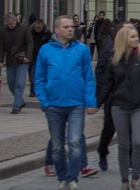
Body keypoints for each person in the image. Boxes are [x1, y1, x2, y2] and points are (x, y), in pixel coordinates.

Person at [35, 16, 98, 190]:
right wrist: (44, 101)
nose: (70, 29)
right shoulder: (45, 50)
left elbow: (88, 77)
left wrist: (90, 101)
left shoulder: (82, 50)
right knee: (57, 146)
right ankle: (62, 177)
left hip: (76, 104)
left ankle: (72, 178)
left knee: (75, 141)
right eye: (66, 27)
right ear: (57, 30)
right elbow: (39, 78)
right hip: (53, 105)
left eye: (72, 26)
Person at [97, 25, 140, 190]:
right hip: (119, 105)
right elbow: (107, 84)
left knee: (137, 142)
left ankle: (135, 177)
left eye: (136, 36)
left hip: (139, 105)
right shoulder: (114, 59)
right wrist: (96, 103)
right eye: (132, 37)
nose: (136, 39)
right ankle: (124, 181)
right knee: (123, 144)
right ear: (123, 39)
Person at [0, 13, 34, 114]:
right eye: (8, 24)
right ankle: (21, 101)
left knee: (19, 83)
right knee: (11, 84)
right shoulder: (3, 30)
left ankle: (16, 106)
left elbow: (30, 42)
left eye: (12, 23)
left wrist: (28, 56)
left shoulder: (23, 28)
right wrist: (0, 60)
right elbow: (1, 46)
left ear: (15, 20)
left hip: (22, 59)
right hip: (10, 59)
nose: (10, 25)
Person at [94, 19, 116, 172]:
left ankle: (130, 160)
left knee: (130, 130)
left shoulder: (136, 51)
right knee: (109, 128)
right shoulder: (108, 51)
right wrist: (101, 95)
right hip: (112, 96)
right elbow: (100, 71)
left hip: (130, 98)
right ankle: (102, 150)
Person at [30, 19, 52, 98]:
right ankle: (33, 90)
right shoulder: (31, 32)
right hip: (33, 56)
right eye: (36, 28)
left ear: (42, 27)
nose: (37, 30)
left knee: (42, 73)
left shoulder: (47, 34)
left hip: (44, 56)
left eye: (39, 28)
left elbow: (51, 44)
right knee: (32, 74)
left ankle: (40, 89)